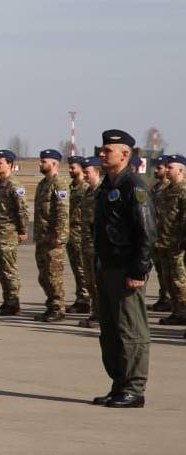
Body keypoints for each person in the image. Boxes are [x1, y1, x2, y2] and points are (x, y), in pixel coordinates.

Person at [91, 129, 157, 408]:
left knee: (132, 331)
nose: (102, 155)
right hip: (107, 267)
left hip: (126, 269)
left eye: (107, 151)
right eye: (102, 150)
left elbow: (146, 231)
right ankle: (119, 383)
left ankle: (134, 388)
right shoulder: (107, 185)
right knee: (110, 331)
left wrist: (138, 269)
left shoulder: (134, 186)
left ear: (125, 154)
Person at [0, 149, 30, 316]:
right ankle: (7, 301)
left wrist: (22, 230)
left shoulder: (15, 185)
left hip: (9, 234)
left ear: (10, 165)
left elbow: (23, 210)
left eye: (0, 163)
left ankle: (14, 302)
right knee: (0, 268)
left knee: (9, 269)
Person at [32, 149, 71, 321]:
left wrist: (60, 237)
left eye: (44, 161)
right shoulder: (42, 184)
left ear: (54, 164)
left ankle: (58, 308)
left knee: (54, 275)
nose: (40, 164)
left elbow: (63, 212)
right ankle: (50, 306)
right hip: (42, 238)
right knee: (44, 276)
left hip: (54, 240)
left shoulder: (60, 184)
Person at [154, 154, 186, 326]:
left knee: (180, 281)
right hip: (163, 243)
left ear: (180, 170)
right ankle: (177, 312)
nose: (166, 170)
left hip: (178, 244)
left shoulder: (183, 190)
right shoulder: (165, 190)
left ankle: (183, 311)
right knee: (169, 281)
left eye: (170, 168)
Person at [77, 156, 103, 328]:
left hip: (98, 246)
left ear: (97, 172)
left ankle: (102, 316)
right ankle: (96, 313)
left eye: (87, 172)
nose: (84, 175)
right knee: (89, 282)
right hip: (86, 244)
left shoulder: (104, 192)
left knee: (99, 283)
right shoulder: (88, 192)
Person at [66, 155, 92, 313]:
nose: (70, 170)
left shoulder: (85, 188)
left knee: (83, 268)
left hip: (81, 233)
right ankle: (81, 297)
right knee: (77, 267)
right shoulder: (71, 187)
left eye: (72, 167)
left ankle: (85, 299)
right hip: (71, 233)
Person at [150, 155, 171, 312]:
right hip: (157, 237)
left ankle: (172, 301)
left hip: (169, 237)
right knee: (161, 271)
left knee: (171, 272)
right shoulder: (155, 188)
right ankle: (164, 298)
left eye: (160, 168)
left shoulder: (172, 189)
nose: (156, 170)